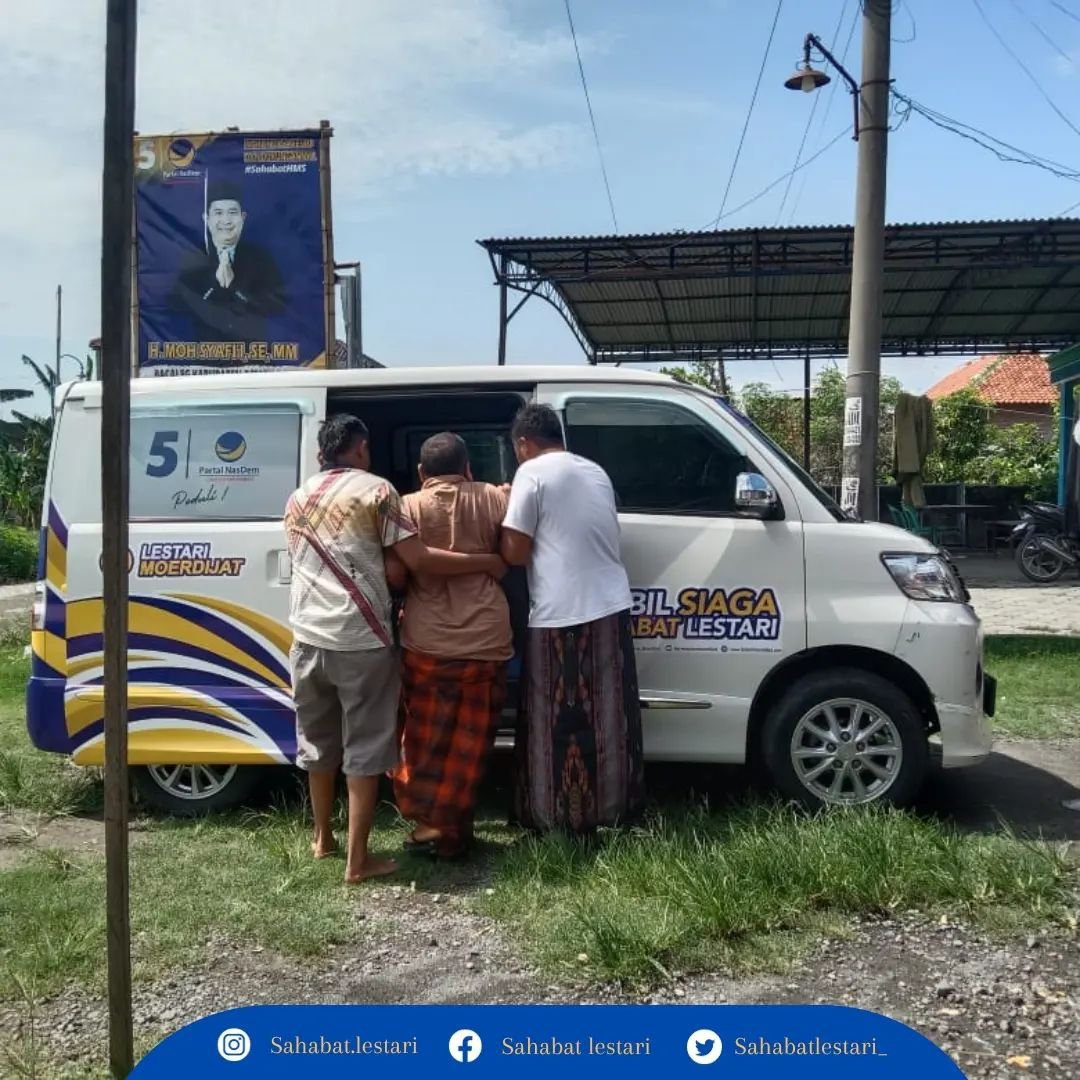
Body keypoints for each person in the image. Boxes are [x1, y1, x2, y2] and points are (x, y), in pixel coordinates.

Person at [283, 415, 504, 884]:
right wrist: (489, 561)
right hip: (359, 637)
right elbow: (412, 563)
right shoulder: (379, 492)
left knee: (318, 744)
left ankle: (323, 838)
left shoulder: (297, 496)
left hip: (305, 635)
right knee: (365, 748)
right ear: (361, 448)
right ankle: (358, 862)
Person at [500, 404, 644, 834]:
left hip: (561, 613)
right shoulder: (596, 471)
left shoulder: (532, 473)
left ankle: (553, 818)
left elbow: (515, 552)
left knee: (554, 723)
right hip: (611, 606)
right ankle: (616, 812)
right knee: (611, 719)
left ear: (523, 444)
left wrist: (505, 506)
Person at [387, 433, 513, 860]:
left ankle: (435, 823)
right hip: (487, 638)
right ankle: (452, 833)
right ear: (468, 469)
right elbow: (516, 546)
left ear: (422, 473)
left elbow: (396, 575)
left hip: (428, 640)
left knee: (425, 739)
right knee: (471, 745)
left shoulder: (404, 506)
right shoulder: (494, 498)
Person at [170, 178, 286, 345]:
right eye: (218, 213)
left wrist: (236, 288)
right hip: (206, 359)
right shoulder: (194, 256)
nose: (226, 220)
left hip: (252, 359)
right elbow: (176, 303)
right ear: (206, 219)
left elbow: (278, 305)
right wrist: (213, 285)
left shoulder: (260, 258)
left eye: (232, 213)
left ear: (242, 218)